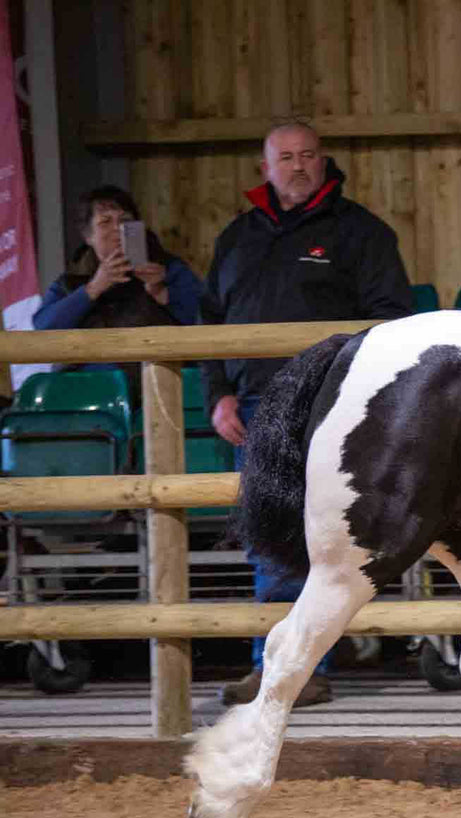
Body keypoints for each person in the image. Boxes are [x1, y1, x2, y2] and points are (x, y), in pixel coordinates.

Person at [202, 121, 412, 707]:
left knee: (316, 537)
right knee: (269, 537)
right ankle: (278, 669)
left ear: (324, 162)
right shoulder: (237, 238)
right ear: (264, 168)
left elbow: (393, 318)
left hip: (328, 404)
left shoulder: (361, 234)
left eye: (308, 156)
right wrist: (217, 394)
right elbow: (209, 322)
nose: (298, 166)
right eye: (285, 157)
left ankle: (296, 669)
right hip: (252, 408)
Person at [34, 186, 204, 396]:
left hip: (162, 389)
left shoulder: (168, 269)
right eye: (105, 222)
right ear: (88, 236)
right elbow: (43, 330)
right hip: (88, 395)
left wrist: (161, 292)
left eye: (125, 221)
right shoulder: (71, 281)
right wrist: (93, 288)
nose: (117, 229)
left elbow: (205, 320)